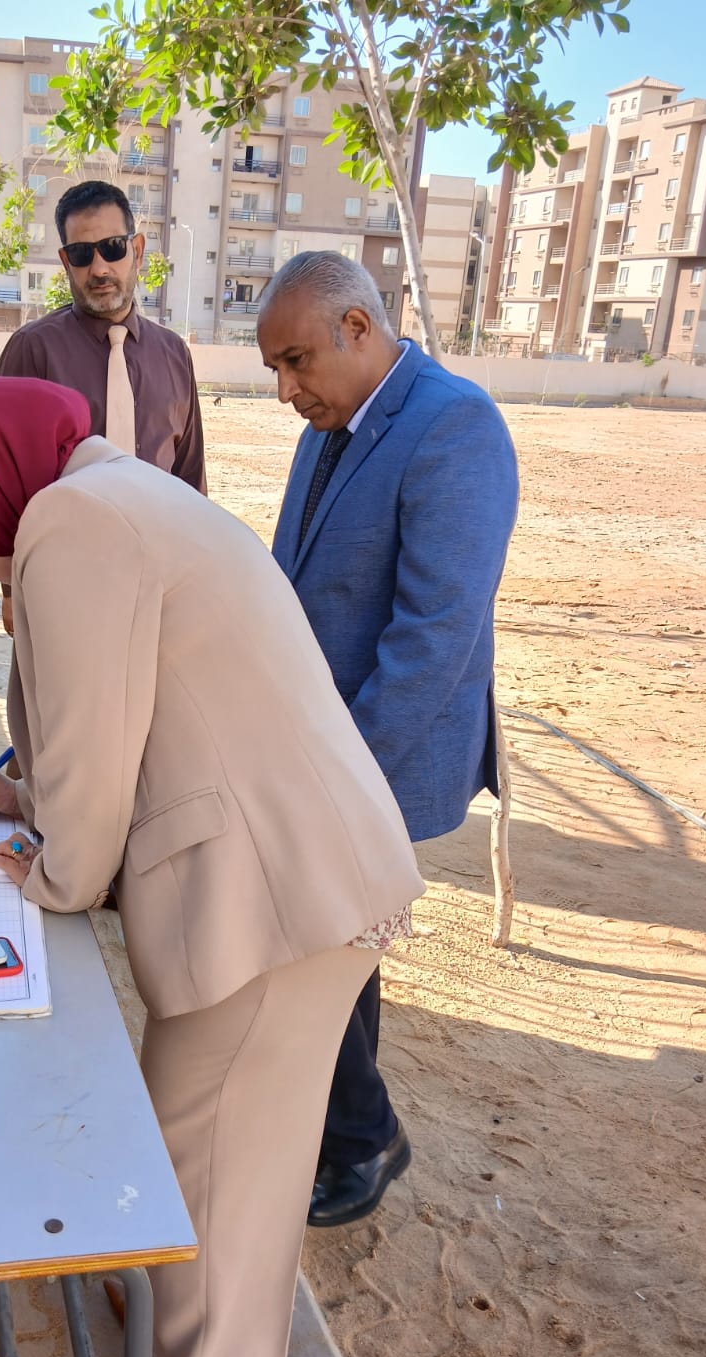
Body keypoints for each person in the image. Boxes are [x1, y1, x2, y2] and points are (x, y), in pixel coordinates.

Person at [0, 375, 423, 1357]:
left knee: (214, 1148)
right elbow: (130, 710)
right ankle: (177, 1303)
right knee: (205, 1132)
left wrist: (51, 871)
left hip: (276, 887)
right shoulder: (110, 494)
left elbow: (94, 746)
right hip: (290, 864)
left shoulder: (71, 522)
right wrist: (25, 797)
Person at [257, 252, 518, 1230]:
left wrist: (340, 775)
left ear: (358, 328)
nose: (286, 389)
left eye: (296, 361)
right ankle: (345, 1128)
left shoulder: (456, 427)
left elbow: (434, 636)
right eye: (274, 369)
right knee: (334, 942)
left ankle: (363, 1139)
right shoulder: (329, 422)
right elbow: (295, 577)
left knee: (327, 944)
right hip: (316, 743)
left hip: (379, 753)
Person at [0, 179, 206, 635]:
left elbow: (190, 477)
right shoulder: (32, 351)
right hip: (61, 582)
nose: (100, 268)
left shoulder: (174, 355)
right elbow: (4, 482)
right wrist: (11, 589)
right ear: (65, 262)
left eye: (112, 248)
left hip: (157, 583)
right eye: (82, 254)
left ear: (137, 250)